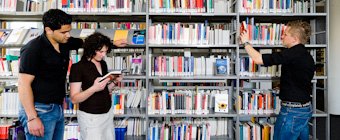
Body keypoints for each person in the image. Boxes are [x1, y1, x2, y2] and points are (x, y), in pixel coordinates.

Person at [239, 20, 316, 140]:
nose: (282, 36)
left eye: (285, 34)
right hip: (304, 109)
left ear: (295, 39)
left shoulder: (292, 54)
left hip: (292, 112)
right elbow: (299, 79)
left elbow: (259, 59)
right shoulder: (306, 55)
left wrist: (246, 43)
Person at [18, 9, 83, 140]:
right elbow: (23, 85)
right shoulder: (33, 49)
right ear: (48, 30)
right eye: (64, 32)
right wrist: (32, 118)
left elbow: (85, 42)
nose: (68, 35)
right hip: (39, 110)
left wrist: (112, 43)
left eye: (69, 31)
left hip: (57, 108)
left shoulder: (64, 42)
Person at [69, 32, 126, 140]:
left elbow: (103, 90)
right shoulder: (78, 67)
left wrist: (114, 82)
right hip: (91, 117)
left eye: (105, 51)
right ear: (91, 50)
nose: (104, 55)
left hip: (107, 114)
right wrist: (93, 88)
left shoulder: (103, 64)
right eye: (101, 51)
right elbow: (74, 99)